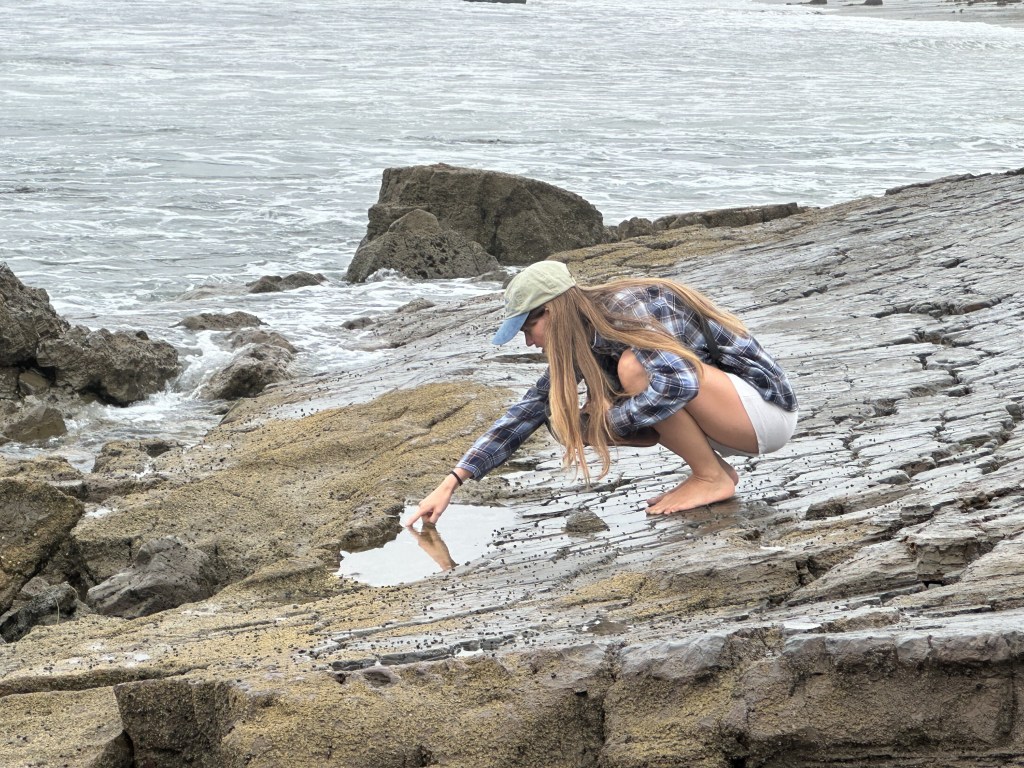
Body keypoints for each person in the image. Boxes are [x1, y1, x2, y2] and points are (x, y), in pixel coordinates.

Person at [405, 260, 797, 526]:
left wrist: (607, 420)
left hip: (762, 413)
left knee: (632, 370)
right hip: (728, 423)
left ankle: (711, 476)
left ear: (551, 312)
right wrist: (453, 480)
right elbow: (527, 412)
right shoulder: (583, 335)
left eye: (527, 330)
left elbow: (680, 383)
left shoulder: (624, 309)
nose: (528, 343)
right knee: (566, 418)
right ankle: (714, 471)